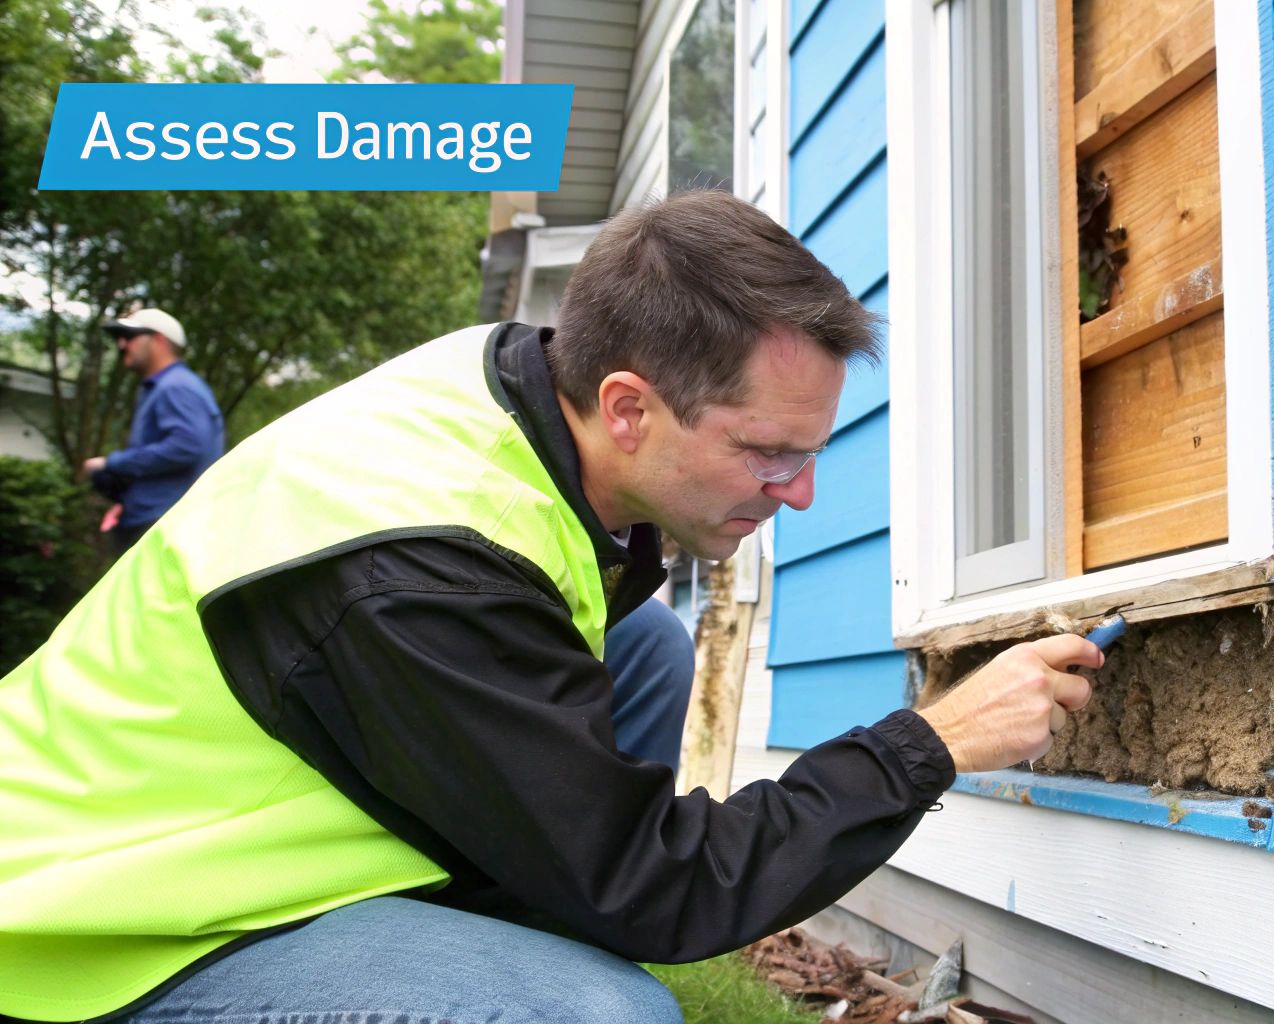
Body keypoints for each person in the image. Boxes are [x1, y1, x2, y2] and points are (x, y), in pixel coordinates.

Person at [0, 190, 1100, 1024]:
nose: (800, 493)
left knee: (647, 647)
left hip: (250, 811)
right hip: (100, 919)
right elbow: (653, 885)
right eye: (767, 455)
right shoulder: (425, 575)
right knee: (594, 1011)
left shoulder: (517, 398)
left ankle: (519, 932)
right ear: (628, 406)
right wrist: (929, 743)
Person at [79, 307, 225, 554]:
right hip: (154, 520)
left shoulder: (175, 386)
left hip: (163, 526)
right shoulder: (161, 387)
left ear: (159, 339)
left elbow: (186, 446)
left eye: (130, 336)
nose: (122, 344)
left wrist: (110, 463)